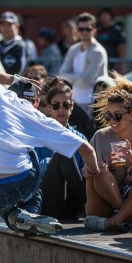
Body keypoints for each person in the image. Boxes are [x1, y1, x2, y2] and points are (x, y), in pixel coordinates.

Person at [0, 67, 100, 235]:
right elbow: (87, 150)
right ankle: (32, 212)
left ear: (11, 92)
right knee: (31, 155)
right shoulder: (38, 118)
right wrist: (93, 173)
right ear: (36, 103)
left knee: (6, 207)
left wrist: (14, 78)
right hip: (20, 186)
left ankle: (16, 217)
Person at [84, 75, 132, 231]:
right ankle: (124, 217)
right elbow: (86, 174)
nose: (112, 121)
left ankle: (115, 220)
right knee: (100, 170)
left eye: (117, 116)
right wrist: (104, 167)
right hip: (104, 201)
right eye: (109, 115)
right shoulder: (100, 136)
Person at [38, 79, 87, 219]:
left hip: (73, 203)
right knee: (64, 155)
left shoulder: (80, 138)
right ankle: (88, 203)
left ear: (71, 107)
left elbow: (87, 173)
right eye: (56, 105)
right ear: (48, 108)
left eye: (65, 105)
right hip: (48, 201)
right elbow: (33, 171)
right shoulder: (38, 136)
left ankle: (89, 205)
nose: (61, 109)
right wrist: (56, 163)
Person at [59, 12, 108, 117]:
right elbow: (61, 74)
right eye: (81, 29)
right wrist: (79, 78)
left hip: (94, 104)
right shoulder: (73, 49)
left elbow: (87, 81)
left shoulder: (98, 51)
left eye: (88, 29)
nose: (84, 32)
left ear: (94, 30)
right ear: (77, 30)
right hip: (74, 101)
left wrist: (71, 77)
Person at [95, 7, 126, 73]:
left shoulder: (117, 31)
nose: (104, 16)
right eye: (102, 14)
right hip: (98, 64)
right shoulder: (96, 31)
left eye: (106, 14)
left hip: (113, 65)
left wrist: (121, 67)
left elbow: (121, 49)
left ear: (111, 16)